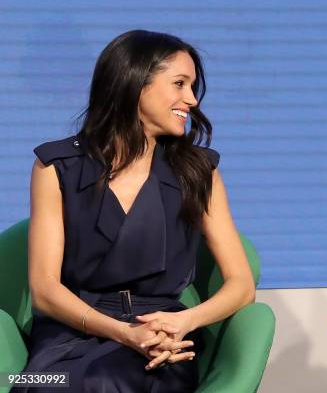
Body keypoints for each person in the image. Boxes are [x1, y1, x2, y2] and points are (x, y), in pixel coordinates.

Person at [18, 30, 255, 392]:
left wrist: (184, 322)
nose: (191, 100)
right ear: (134, 83)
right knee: (39, 384)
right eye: (179, 84)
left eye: (192, 87)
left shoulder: (198, 170)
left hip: (162, 338)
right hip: (71, 333)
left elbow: (241, 285)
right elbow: (45, 289)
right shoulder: (55, 166)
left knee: (113, 380)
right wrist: (124, 332)